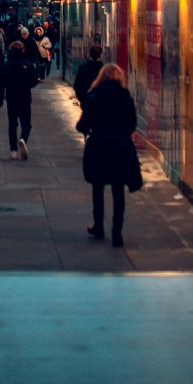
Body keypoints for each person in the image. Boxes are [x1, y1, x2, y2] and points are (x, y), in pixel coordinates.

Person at [78, 63, 141, 247]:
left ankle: (98, 227)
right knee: (118, 190)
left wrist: (89, 129)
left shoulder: (94, 96)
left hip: (98, 146)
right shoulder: (125, 96)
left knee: (98, 188)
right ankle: (117, 234)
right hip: (121, 147)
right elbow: (132, 123)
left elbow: (82, 125)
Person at [3, 39, 38, 160]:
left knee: (12, 124)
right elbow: (34, 81)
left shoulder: (7, 65)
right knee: (26, 123)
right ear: (22, 50)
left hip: (11, 96)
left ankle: (13, 150)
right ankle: (23, 138)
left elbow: (3, 81)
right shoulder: (28, 64)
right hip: (24, 96)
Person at [72, 43, 105, 107]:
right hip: (101, 104)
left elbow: (76, 85)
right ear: (101, 55)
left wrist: (82, 99)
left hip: (86, 102)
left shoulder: (83, 67)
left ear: (90, 55)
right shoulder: (104, 69)